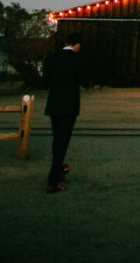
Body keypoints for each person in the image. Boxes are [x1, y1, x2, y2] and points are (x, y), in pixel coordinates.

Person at [43, 32, 85, 194]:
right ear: (77, 45)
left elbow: (45, 82)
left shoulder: (51, 58)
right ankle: (52, 181)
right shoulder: (77, 59)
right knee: (63, 141)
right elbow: (85, 81)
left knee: (57, 138)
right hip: (70, 105)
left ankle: (60, 168)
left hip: (53, 104)